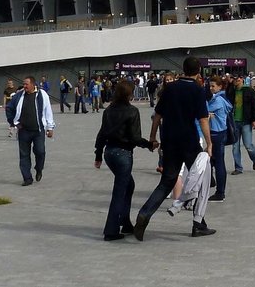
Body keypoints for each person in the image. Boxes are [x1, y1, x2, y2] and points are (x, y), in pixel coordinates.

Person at [134, 56, 216, 240]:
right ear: (199, 71)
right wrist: (209, 143)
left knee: (167, 181)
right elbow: (203, 119)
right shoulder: (197, 90)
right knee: (201, 178)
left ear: (183, 69)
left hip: (169, 140)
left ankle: (145, 214)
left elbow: (157, 116)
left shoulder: (169, 88)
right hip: (189, 141)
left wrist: (153, 137)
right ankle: (197, 224)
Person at [94, 79, 154, 241]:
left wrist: (98, 155)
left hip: (110, 153)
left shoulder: (109, 111)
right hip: (123, 154)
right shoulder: (132, 111)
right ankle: (111, 230)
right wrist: (149, 144)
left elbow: (101, 134)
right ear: (129, 94)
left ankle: (125, 222)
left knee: (128, 185)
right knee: (120, 191)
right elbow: (134, 137)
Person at [9, 76, 56, 186]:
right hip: (23, 131)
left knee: (40, 151)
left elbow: (48, 111)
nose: (24, 86)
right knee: (24, 155)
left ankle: (39, 169)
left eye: (26, 84)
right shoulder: (19, 96)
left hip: (38, 130)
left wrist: (50, 127)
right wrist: (14, 122)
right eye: (24, 84)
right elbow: (9, 108)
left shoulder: (42, 95)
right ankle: (27, 178)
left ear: (33, 84)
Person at [225, 76, 255, 175]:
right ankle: (238, 168)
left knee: (248, 145)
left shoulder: (249, 90)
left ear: (242, 79)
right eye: (235, 79)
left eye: (238, 78)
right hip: (234, 122)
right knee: (235, 146)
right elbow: (226, 98)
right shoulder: (232, 91)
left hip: (246, 121)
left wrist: (254, 119)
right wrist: (229, 84)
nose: (237, 80)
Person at [206, 76, 233, 201]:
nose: (211, 88)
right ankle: (212, 182)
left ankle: (220, 192)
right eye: (210, 86)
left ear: (220, 86)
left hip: (216, 133)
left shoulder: (218, 100)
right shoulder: (220, 98)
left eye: (213, 86)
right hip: (220, 133)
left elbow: (202, 113)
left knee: (218, 163)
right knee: (212, 161)